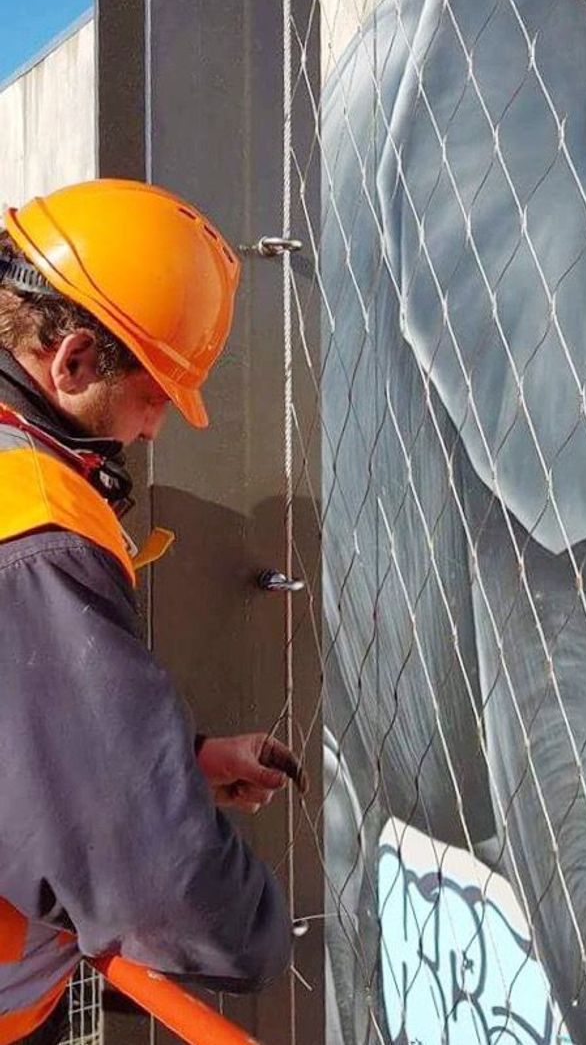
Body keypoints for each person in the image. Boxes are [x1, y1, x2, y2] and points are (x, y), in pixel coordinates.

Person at [0, 179, 304, 1044]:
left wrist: (183, 759)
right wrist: (255, 934)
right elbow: (160, 883)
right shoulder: (32, 529)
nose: (157, 426)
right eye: (156, 391)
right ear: (75, 360)